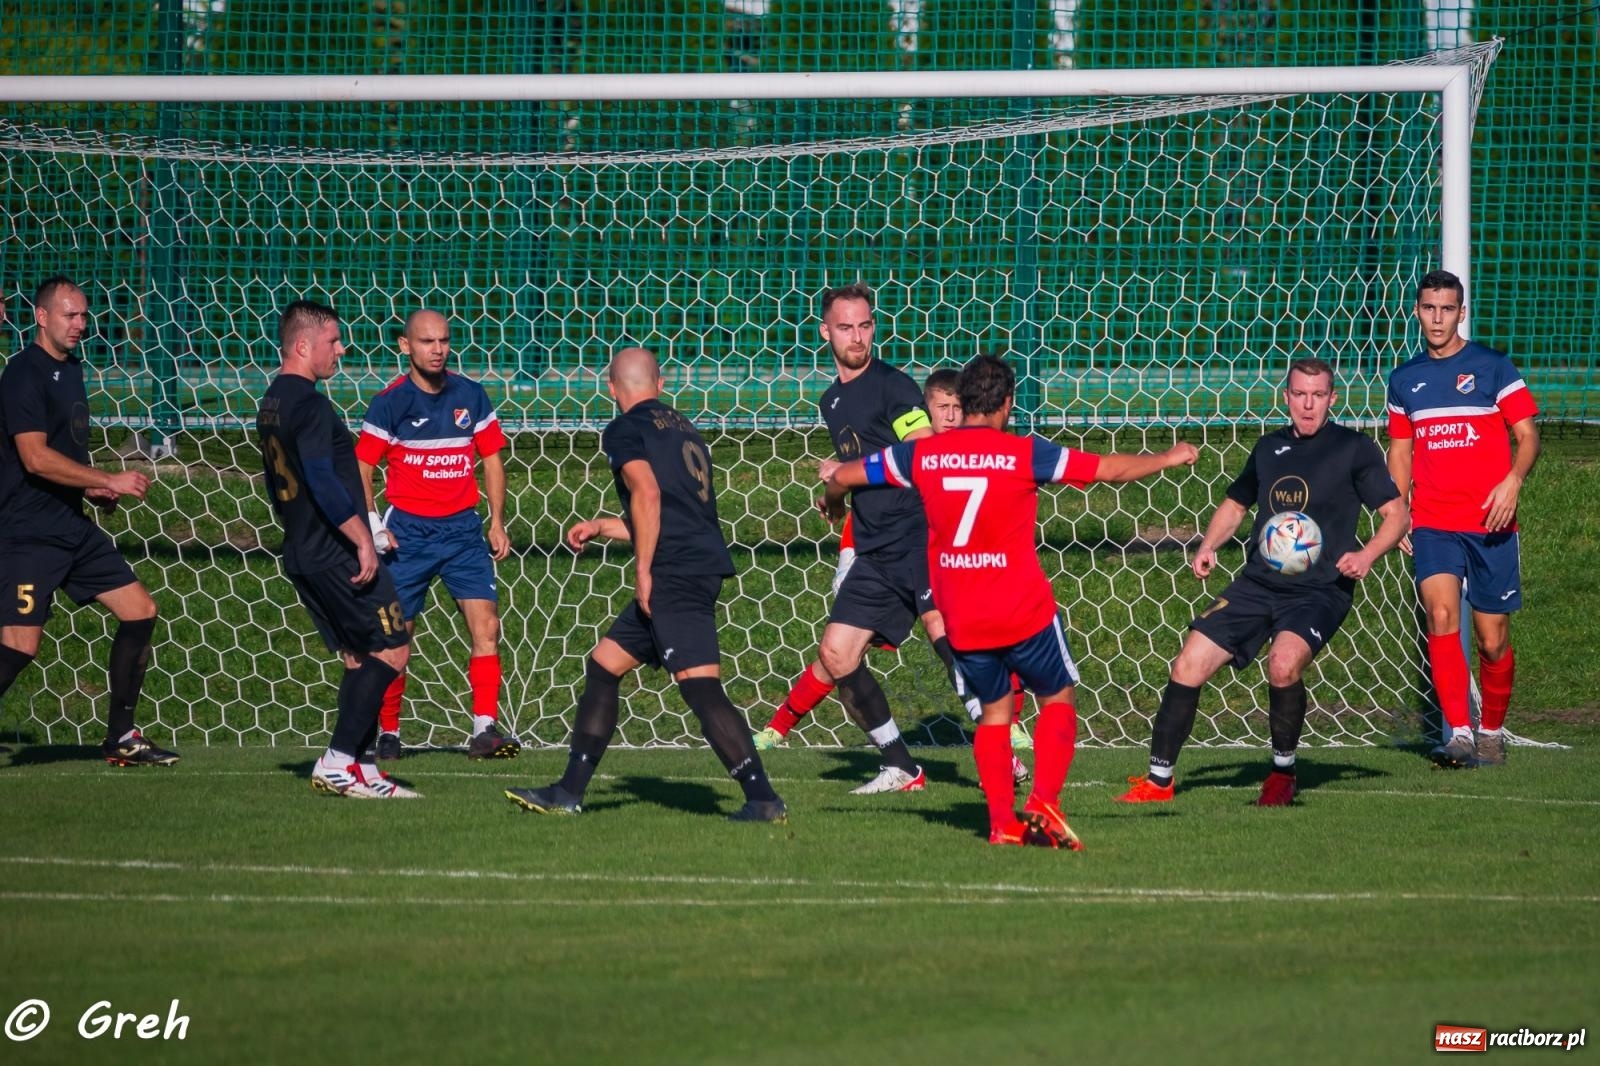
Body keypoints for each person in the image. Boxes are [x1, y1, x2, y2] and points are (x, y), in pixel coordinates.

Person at [824, 354, 1198, 845]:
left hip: (962, 614)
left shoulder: (920, 457)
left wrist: (831, 500)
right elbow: (1108, 469)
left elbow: (846, 476)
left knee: (995, 713)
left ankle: (1002, 823)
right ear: (1005, 404)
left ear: (963, 400)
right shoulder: (1022, 453)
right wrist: (1167, 458)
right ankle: (1043, 799)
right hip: (1022, 609)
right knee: (1058, 696)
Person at [505, 347, 786, 823]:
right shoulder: (682, 427)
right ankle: (568, 791)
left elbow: (648, 494)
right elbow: (666, 511)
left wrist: (643, 572)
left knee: (700, 687)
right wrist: (601, 526)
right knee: (604, 665)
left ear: (611, 388)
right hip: (693, 561)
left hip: (674, 573)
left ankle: (762, 798)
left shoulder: (623, 428)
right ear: (660, 385)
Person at [1117, 357, 1409, 807]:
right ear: (1286, 396)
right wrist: (1209, 545)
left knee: (1283, 664)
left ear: (1333, 399)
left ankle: (1282, 774)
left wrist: (1367, 554)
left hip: (1320, 590)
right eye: (1299, 395)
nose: (1308, 406)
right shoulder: (1269, 448)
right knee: (1187, 663)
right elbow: (1236, 504)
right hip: (1257, 584)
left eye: (1318, 396)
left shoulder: (1354, 448)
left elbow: (1396, 514)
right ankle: (1158, 782)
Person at [754, 367, 1033, 781]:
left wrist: (842, 476)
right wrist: (845, 535)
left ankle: (1002, 739)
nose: (952, 416)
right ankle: (894, 763)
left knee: (949, 634)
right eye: (943, 408)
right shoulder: (838, 405)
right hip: (876, 552)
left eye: (959, 407)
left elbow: (918, 454)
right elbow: (878, 474)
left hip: (932, 545)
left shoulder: (931, 426)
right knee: (837, 652)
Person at [0, 276, 176, 766]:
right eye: (69, 315)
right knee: (20, 646)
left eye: (83, 315)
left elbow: (62, 453)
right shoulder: (22, 375)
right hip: (27, 533)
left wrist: (94, 489)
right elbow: (34, 459)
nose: (80, 324)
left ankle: (121, 737)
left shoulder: (72, 370)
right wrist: (108, 477)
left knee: (140, 610)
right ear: (41, 317)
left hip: (72, 527)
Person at [257, 299, 417, 799]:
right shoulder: (307, 403)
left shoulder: (273, 400)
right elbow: (324, 482)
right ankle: (338, 760)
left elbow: (281, 485)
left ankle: (361, 770)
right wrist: (362, 540)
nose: (341, 349)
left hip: (303, 550)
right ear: (303, 346)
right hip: (335, 552)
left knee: (358, 657)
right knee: (392, 649)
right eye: (333, 341)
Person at [1386, 270, 1539, 769]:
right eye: (1429, 308)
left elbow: (1528, 436)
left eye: (1447, 309)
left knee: (1493, 641)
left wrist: (1513, 482)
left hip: (1491, 523)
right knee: (1441, 615)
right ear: (1416, 311)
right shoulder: (1405, 379)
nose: (1437, 318)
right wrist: (1398, 511)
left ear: (1461, 312)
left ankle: (1491, 730)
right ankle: (1459, 734)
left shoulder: (1492, 367)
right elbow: (1401, 452)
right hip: (1432, 521)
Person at [355, 309, 520, 761]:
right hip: (407, 535)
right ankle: (388, 733)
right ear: (405, 346)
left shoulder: (471, 394)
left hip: (464, 533)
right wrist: (375, 527)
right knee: (396, 640)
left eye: (444, 340)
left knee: (487, 626)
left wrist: (497, 521)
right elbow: (362, 468)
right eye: (427, 341)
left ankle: (485, 729)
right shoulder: (389, 403)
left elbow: (491, 459)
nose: (438, 349)